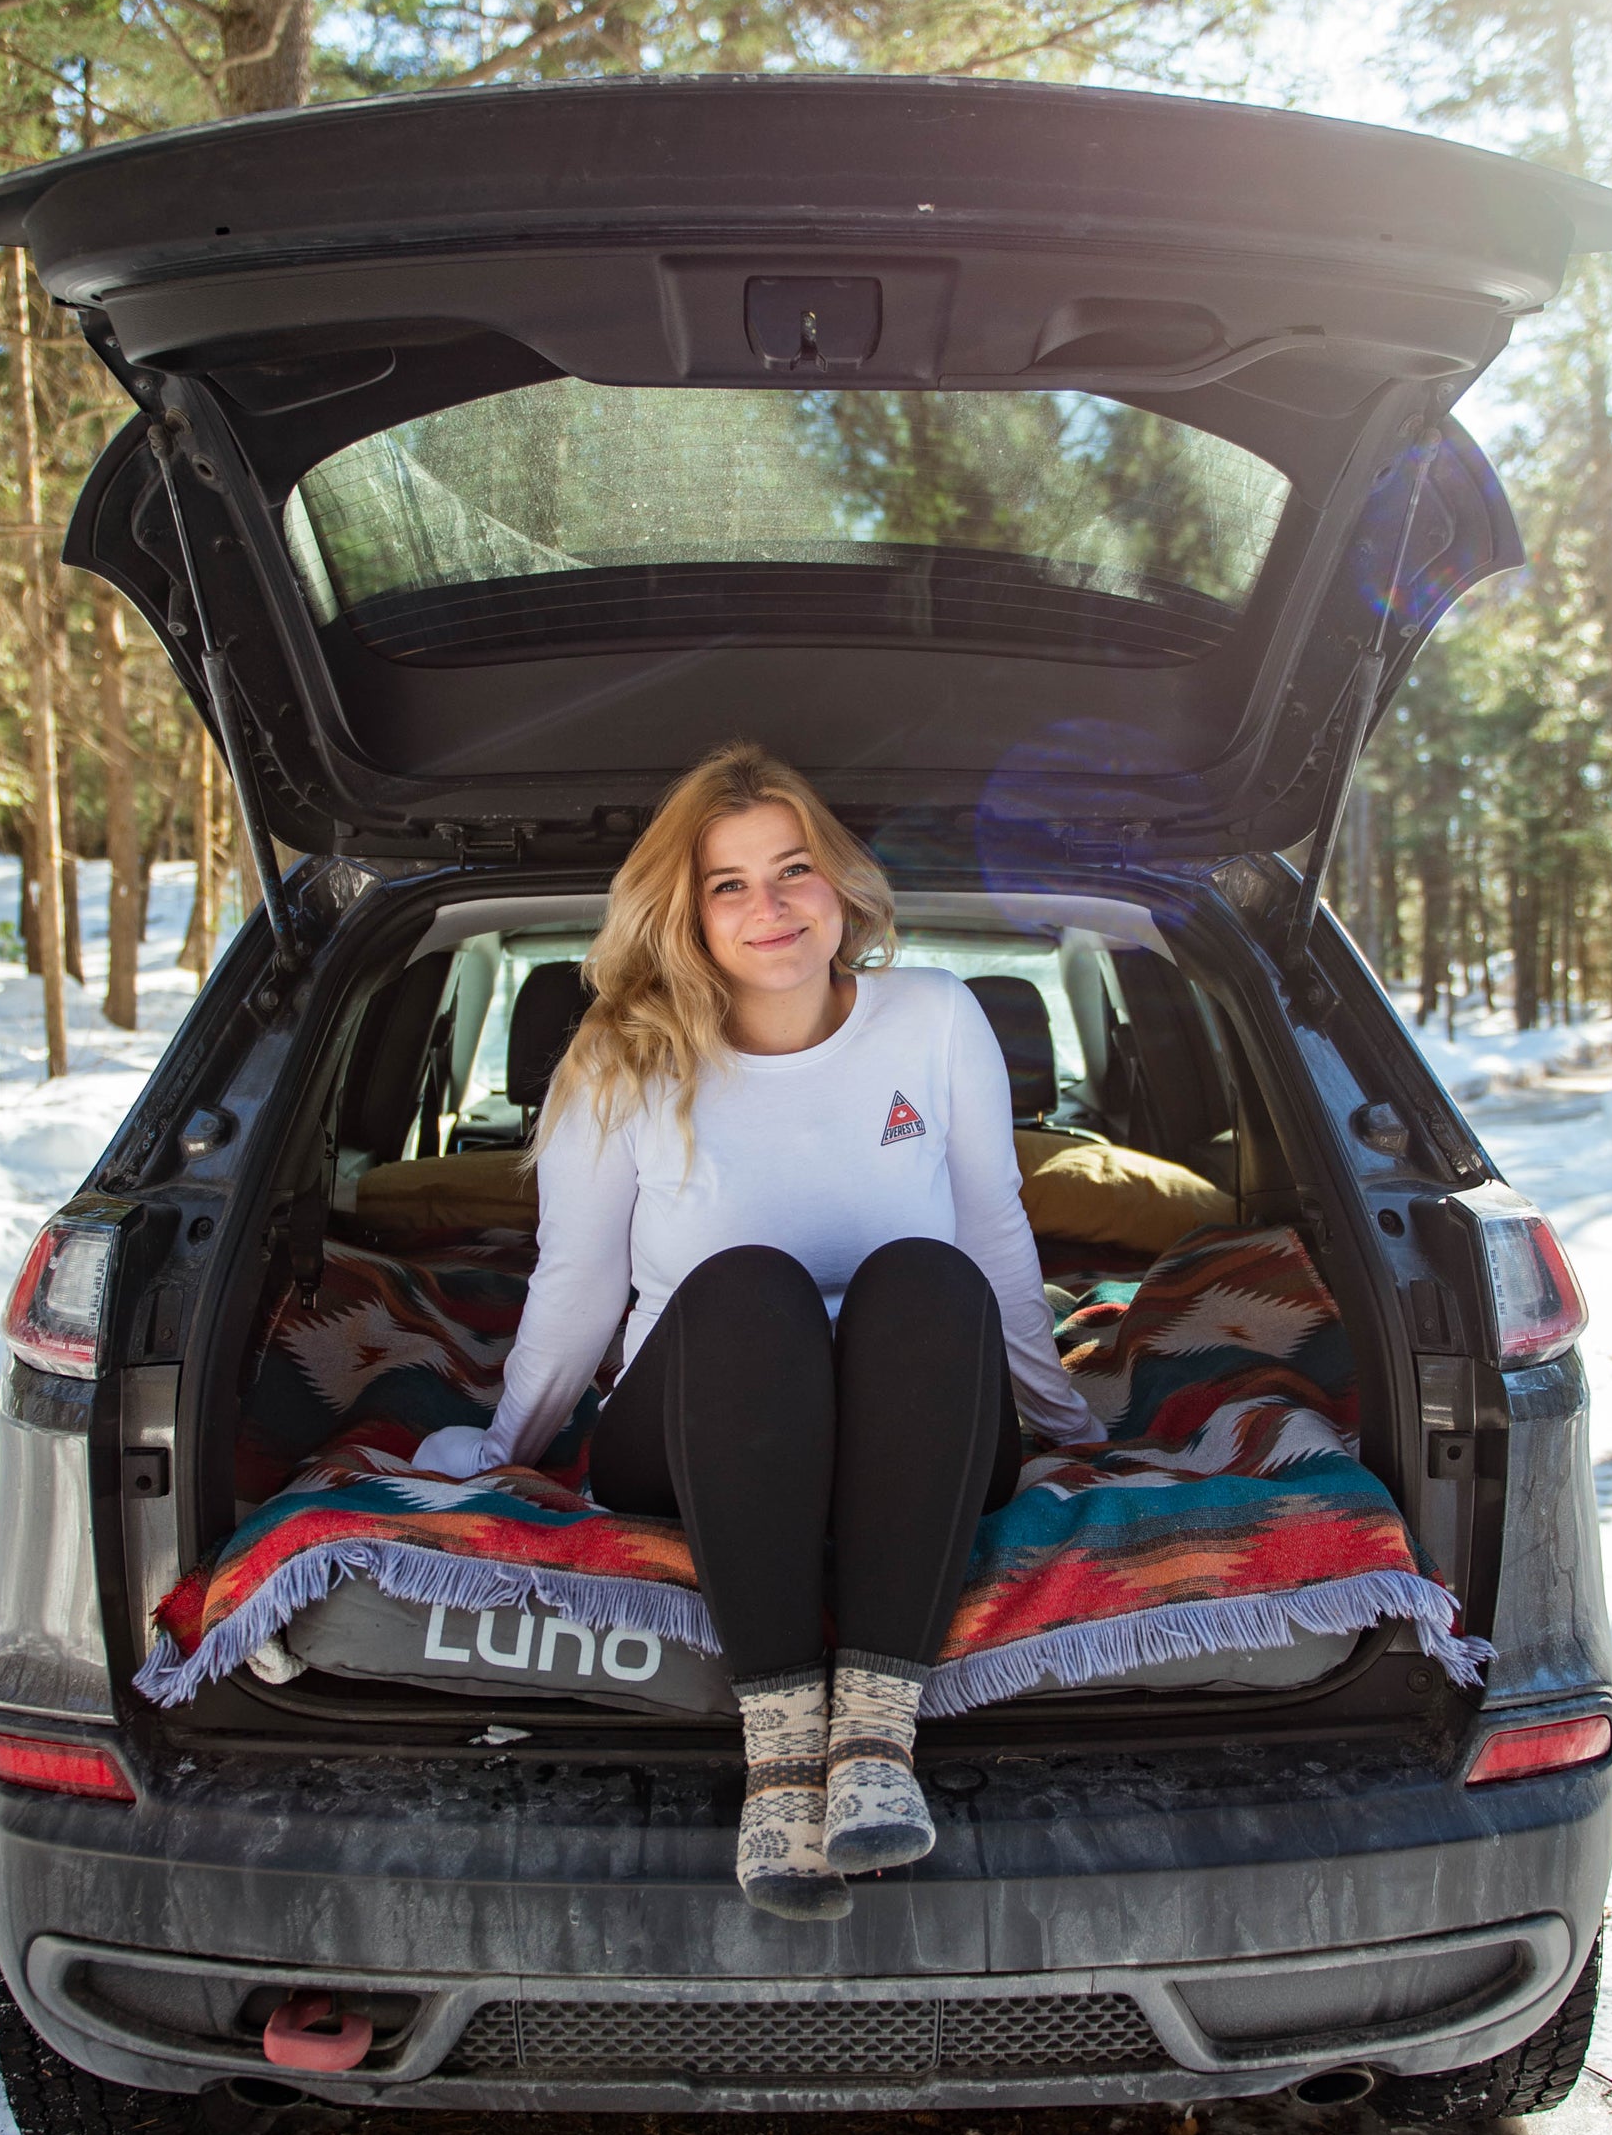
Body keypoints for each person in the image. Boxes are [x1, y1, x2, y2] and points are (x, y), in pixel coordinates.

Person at [416, 741, 1105, 1920]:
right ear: (686, 913)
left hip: (919, 1431)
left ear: (841, 884)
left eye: (793, 869)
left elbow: (995, 1236)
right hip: (696, 1433)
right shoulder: (621, 1056)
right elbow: (578, 1281)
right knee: (745, 1288)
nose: (770, 906)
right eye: (728, 883)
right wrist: (506, 1445)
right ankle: (782, 1760)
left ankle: (876, 1745)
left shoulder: (936, 1020)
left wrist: (1062, 1417)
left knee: (928, 1277)